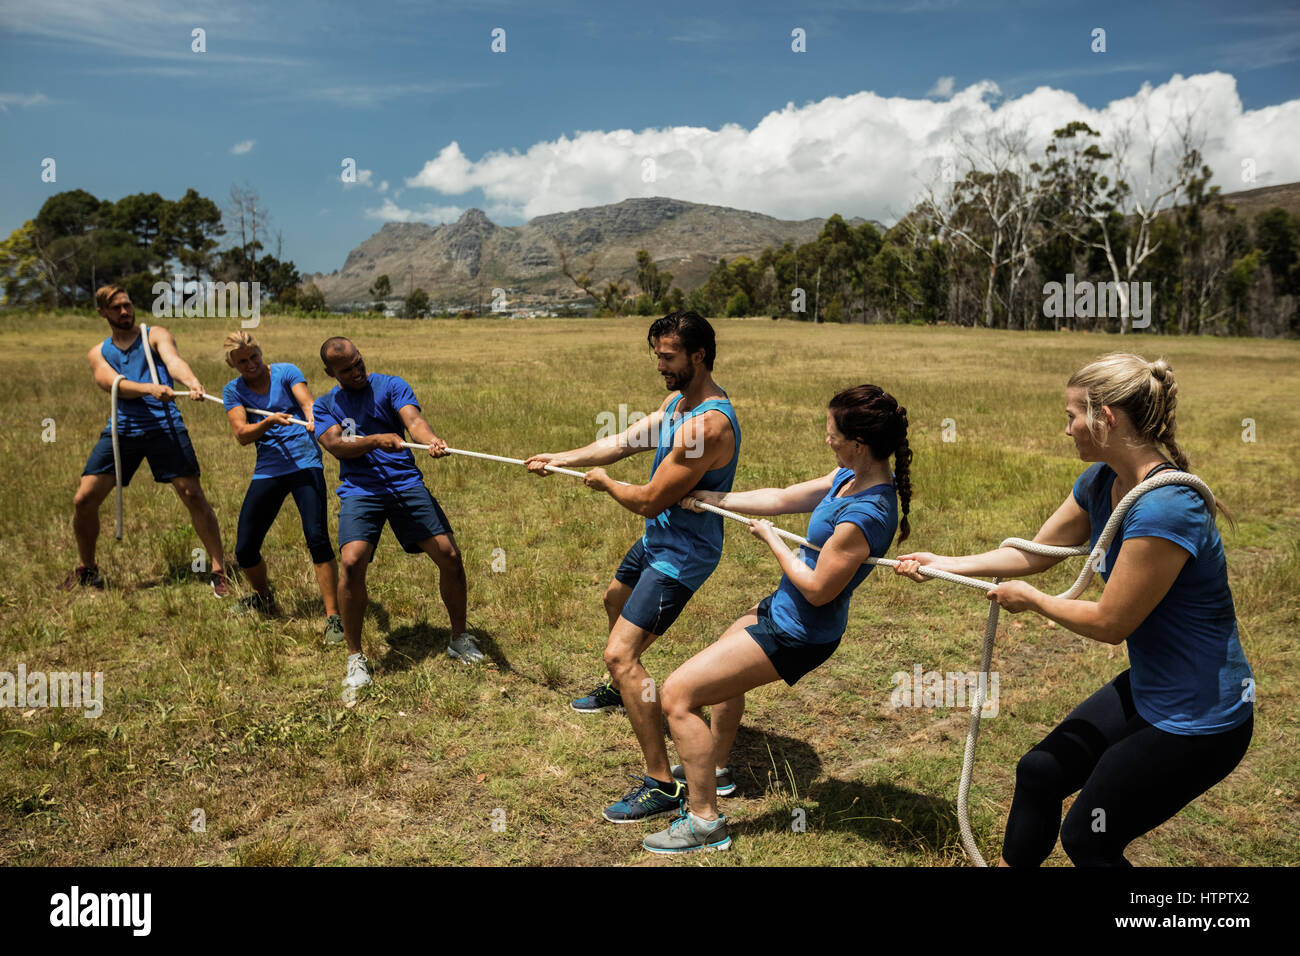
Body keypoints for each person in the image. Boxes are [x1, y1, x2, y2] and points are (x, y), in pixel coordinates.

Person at [894, 353, 1253, 867]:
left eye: (1071, 416)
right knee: (1040, 770)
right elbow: (1034, 553)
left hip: (1201, 718)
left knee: (1089, 837)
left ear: (1106, 418)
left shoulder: (1167, 506)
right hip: (1153, 689)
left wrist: (1033, 601)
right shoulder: (1102, 482)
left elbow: (1112, 623)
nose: (1066, 430)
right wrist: (945, 562)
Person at [640, 384, 909, 853]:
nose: (827, 440)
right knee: (723, 678)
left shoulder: (868, 512)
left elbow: (819, 589)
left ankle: (704, 822)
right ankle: (716, 768)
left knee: (678, 696)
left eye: (832, 435)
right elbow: (784, 497)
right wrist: (715, 497)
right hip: (781, 610)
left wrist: (772, 541)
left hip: (800, 631)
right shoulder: (848, 477)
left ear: (859, 444)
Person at [524, 311, 740, 824]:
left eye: (668, 356)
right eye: (657, 355)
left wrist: (604, 484)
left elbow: (644, 499)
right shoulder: (676, 403)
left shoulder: (706, 424)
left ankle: (661, 785)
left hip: (680, 556)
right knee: (613, 600)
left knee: (621, 656)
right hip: (658, 537)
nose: (659, 365)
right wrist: (564, 457)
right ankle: (624, 691)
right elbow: (625, 442)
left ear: (698, 356)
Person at [312, 337, 483, 692]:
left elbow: (414, 420)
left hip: (405, 484)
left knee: (450, 556)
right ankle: (355, 658)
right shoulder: (326, 404)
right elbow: (334, 445)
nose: (357, 371)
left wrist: (430, 439)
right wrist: (375, 439)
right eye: (347, 369)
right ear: (331, 372)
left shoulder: (390, 385)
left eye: (359, 362)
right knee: (351, 562)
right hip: (361, 490)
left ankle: (459, 638)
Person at [64, 284, 229, 595]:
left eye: (128, 305)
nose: (125, 312)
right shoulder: (98, 352)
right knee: (83, 500)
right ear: (102, 313)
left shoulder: (154, 335)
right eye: (117, 308)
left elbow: (173, 361)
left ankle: (220, 569)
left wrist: (192, 382)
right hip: (122, 430)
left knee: (192, 494)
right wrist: (149, 388)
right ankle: (88, 569)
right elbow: (110, 383)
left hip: (164, 426)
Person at [220, 331, 343, 644]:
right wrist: (268, 423)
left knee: (316, 537)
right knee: (246, 548)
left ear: (261, 352)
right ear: (233, 364)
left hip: (305, 463)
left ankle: (333, 616)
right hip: (269, 470)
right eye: (243, 361)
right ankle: (263, 597)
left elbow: (307, 403)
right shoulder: (233, 391)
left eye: (254, 357)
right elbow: (242, 434)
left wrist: (314, 419)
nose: (251, 364)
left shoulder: (287, 371)